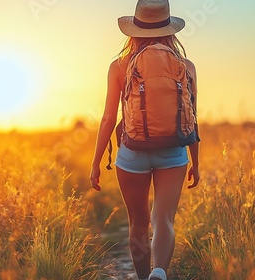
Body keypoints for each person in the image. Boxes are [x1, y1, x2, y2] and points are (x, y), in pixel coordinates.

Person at [89, 1, 200, 279]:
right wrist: (195, 162)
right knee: (163, 219)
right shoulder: (185, 66)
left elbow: (107, 118)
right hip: (173, 151)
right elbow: (192, 118)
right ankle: (159, 272)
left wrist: (96, 162)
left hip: (131, 151)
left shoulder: (119, 65)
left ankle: (142, 278)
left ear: (134, 29)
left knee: (138, 223)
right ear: (169, 29)